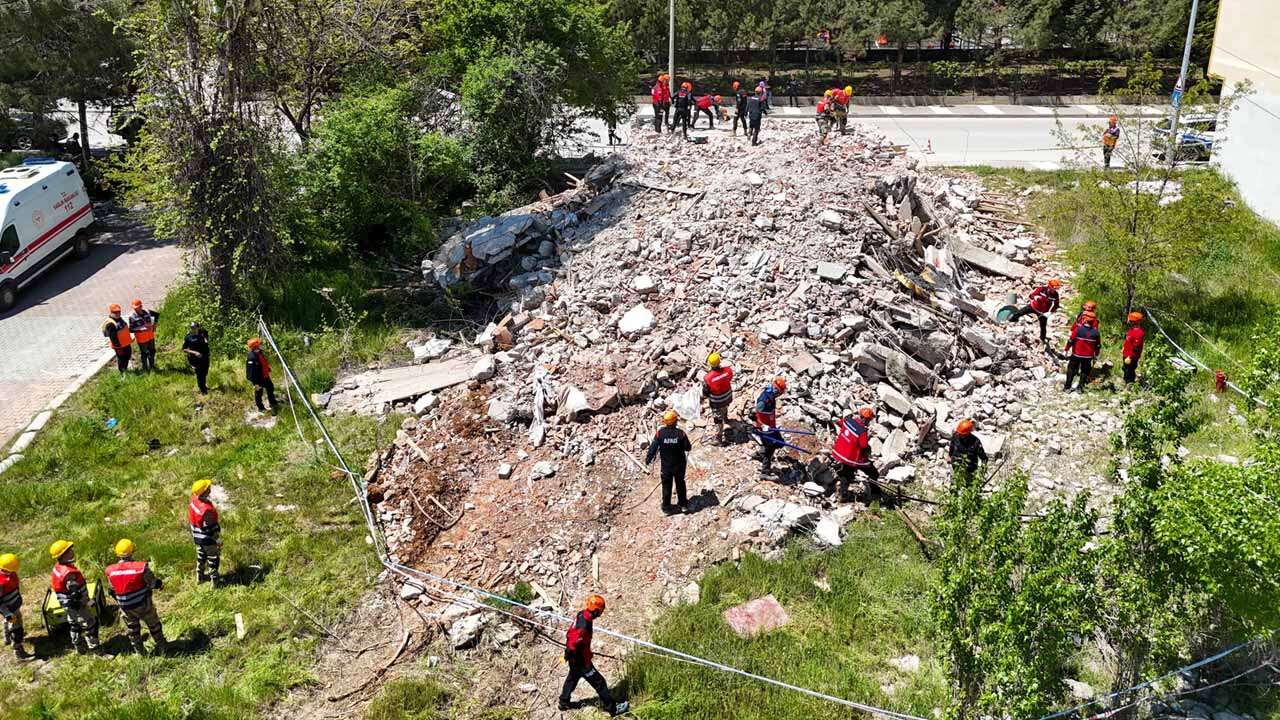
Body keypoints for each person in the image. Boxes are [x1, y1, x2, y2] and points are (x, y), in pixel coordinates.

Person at [559, 595, 627, 715]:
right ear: (596, 610)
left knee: (572, 678)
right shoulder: (584, 624)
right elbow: (573, 642)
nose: (601, 613)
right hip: (582, 662)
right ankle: (612, 709)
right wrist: (573, 654)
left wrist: (579, 653)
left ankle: (563, 703)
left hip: (575, 659)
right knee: (600, 682)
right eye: (600, 610)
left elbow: (571, 634)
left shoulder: (582, 614)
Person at [104, 539, 167, 655]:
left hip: (125, 607)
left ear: (117, 554)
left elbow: (112, 590)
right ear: (132, 551)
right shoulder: (141, 568)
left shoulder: (110, 571)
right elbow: (153, 583)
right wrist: (161, 584)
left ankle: (140, 651)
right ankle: (161, 645)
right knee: (153, 624)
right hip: (143, 604)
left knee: (133, 629)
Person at [48, 540, 100, 654]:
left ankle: (79, 648)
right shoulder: (68, 573)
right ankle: (96, 651)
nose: (72, 551)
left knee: (74, 625)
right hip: (77, 605)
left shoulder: (58, 567)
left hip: (67, 605)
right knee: (90, 624)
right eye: (68, 550)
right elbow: (74, 591)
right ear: (62, 555)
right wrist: (84, 602)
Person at [644, 410, 692, 514]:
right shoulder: (681, 434)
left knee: (666, 486)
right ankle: (683, 505)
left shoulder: (660, 434)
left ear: (665, 422)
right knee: (680, 484)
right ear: (675, 422)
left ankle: (666, 507)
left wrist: (648, 459)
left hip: (666, 467)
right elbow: (688, 447)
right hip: (679, 466)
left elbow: (653, 448)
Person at [830, 407, 878, 501]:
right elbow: (864, 446)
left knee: (846, 472)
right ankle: (875, 493)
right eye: (868, 420)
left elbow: (839, 423)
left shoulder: (847, 420)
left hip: (839, 452)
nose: (868, 422)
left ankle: (841, 492)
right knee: (873, 473)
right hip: (850, 458)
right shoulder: (862, 431)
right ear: (865, 419)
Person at [189, 478, 224, 584]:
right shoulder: (206, 510)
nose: (210, 488)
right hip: (207, 540)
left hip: (197, 537)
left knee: (201, 557)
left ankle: (199, 578)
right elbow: (209, 529)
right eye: (208, 487)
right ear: (205, 491)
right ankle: (215, 583)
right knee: (213, 560)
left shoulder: (194, 500)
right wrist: (218, 540)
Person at [1, 552, 33, 661]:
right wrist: (6, 613)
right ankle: (18, 652)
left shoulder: (11, 574)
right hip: (8, 610)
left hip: (15, 605)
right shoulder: (1, 582)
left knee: (9, 622)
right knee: (16, 629)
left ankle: (6, 638)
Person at [754, 376, 787, 474]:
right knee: (770, 448)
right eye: (780, 392)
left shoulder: (771, 396)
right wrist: (762, 425)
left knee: (780, 442)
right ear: (777, 390)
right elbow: (754, 414)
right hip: (764, 428)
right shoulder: (764, 400)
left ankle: (760, 454)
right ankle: (765, 472)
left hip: (771, 427)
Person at [1064, 311, 1102, 392]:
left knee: (1071, 369)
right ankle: (1080, 388)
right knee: (1084, 371)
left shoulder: (1078, 329)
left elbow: (1071, 340)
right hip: (1088, 356)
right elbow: (1098, 345)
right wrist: (1097, 355)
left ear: (1085, 319)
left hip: (1076, 354)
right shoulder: (1096, 332)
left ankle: (1067, 387)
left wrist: (1066, 349)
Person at [702, 352, 734, 444]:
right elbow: (729, 379)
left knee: (717, 419)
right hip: (727, 397)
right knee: (725, 407)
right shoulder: (728, 370)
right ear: (719, 362)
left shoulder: (708, 378)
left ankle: (719, 437)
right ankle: (726, 419)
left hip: (717, 401)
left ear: (710, 364)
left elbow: (706, 392)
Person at [245, 337, 279, 412]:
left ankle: (272, 403)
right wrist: (255, 383)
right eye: (259, 344)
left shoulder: (259, 352)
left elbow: (262, 362)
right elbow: (250, 372)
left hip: (265, 375)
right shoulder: (251, 357)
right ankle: (261, 408)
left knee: (270, 388)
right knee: (259, 393)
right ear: (255, 346)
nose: (261, 345)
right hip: (258, 379)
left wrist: (268, 368)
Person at [128, 299, 160, 372]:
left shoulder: (147, 312)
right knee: (144, 353)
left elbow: (157, 315)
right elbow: (131, 330)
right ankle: (145, 369)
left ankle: (152, 366)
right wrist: (140, 329)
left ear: (141, 306)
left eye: (137, 307)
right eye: (134, 308)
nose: (136, 309)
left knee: (152, 351)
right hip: (141, 339)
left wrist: (155, 325)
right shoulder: (132, 317)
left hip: (151, 337)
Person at [102, 303, 133, 374]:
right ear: (111, 313)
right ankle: (123, 373)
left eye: (119, 312)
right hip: (119, 346)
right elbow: (113, 337)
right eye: (115, 312)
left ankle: (125, 370)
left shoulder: (119, 319)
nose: (118, 313)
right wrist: (118, 347)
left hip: (126, 343)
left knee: (127, 356)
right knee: (122, 359)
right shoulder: (110, 323)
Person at [182, 321, 211, 393]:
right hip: (195, 358)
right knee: (199, 373)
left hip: (205, 356)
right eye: (191, 328)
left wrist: (206, 339)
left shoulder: (203, 333)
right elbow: (184, 349)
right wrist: (195, 352)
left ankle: (203, 386)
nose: (193, 329)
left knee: (204, 373)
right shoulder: (188, 337)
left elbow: (207, 339)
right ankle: (203, 390)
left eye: (194, 327)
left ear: (198, 327)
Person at [1122, 311, 1146, 384]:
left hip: (1132, 356)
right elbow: (1128, 341)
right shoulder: (1131, 330)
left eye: (1130, 320)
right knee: (1125, 368)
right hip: (1126, 353)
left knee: (1129, 370)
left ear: (1133, 321)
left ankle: (1129, 383)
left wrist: (1130, 356)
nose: (1129, 321)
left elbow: (1136, 347)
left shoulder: (1139, 332)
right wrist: (1123, 348)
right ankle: (1127, 381)